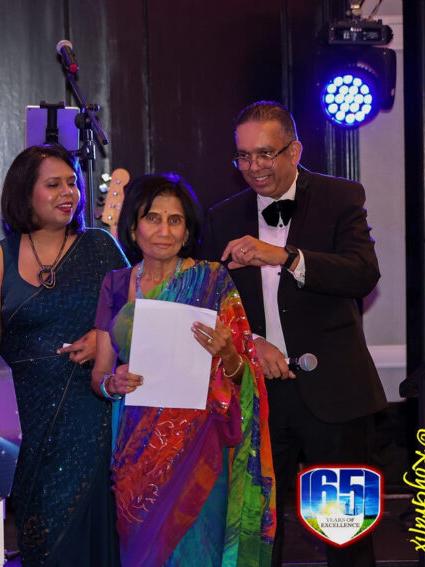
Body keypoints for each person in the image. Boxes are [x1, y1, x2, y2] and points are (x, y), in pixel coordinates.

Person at [200, 100, 385, 566]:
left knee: (344, 533)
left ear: (295, 151)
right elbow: (212, 304)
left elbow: (363, 273)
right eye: (243, 156)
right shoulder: (222, 216)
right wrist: (252, 343)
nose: (253, 167)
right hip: (259, 397)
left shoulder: (340, 196)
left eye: (265, 153)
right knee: (259, 532)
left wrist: (286, 257)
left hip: (335, 395)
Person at [93, 172, 276, 566]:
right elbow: (99, 376)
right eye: (152, 218)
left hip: (199, 446)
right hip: (134, 449)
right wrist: (112, 384)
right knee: (142, 551)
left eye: (174, 220)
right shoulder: (115, 283)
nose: (164, 230)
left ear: (188, 229)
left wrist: (228, 354)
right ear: (133, 226)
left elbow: (244, 376)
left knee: (197, 549)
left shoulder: (212, 281)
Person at [0, 143, 128, 567]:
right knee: (44, 539)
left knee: (90, 532)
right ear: (25, 193)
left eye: (72, 183)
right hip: (27, 422)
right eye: (53, 184)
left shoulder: (100, 246)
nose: (68, 193)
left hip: (93, 412)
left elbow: (138, 317)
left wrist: (104, 339)